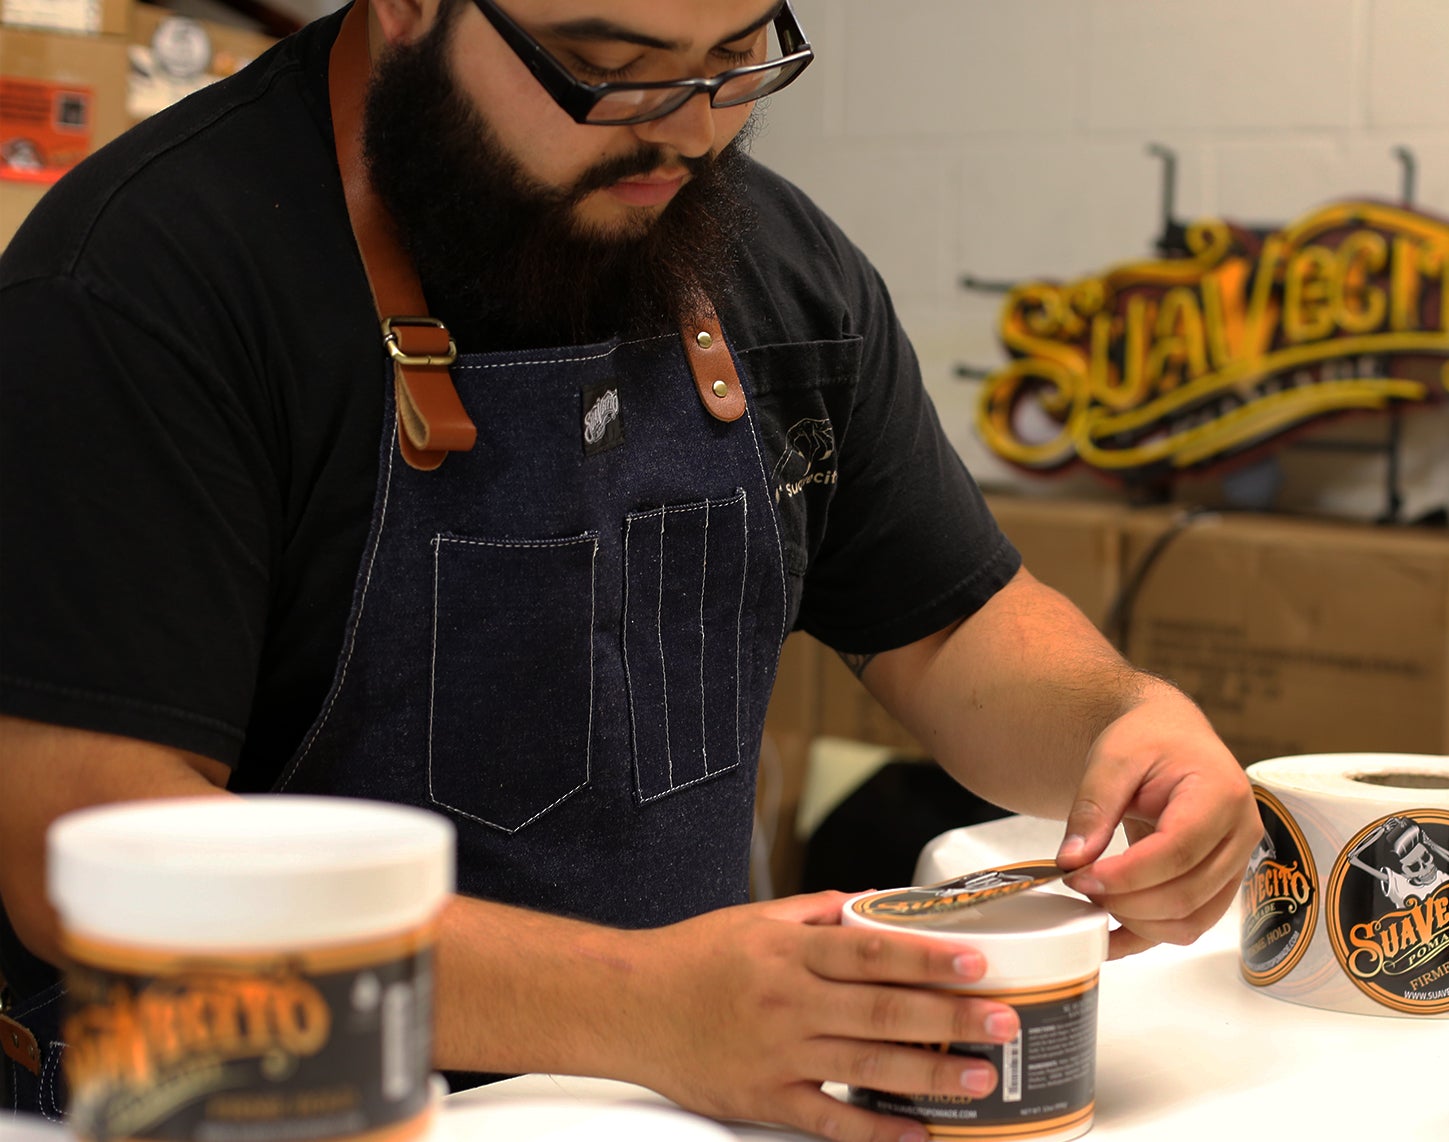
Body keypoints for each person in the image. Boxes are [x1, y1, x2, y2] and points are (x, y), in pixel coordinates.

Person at [0, 0, 1261, 1138]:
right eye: (609, 68)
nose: (691, 134)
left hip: (667, 1099)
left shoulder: (770, 264)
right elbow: (87, 844)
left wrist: (1124, 729)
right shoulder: (146, 277)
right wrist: (644, 1006)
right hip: (251, 1109)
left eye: (731, 63)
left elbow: (948, 625)